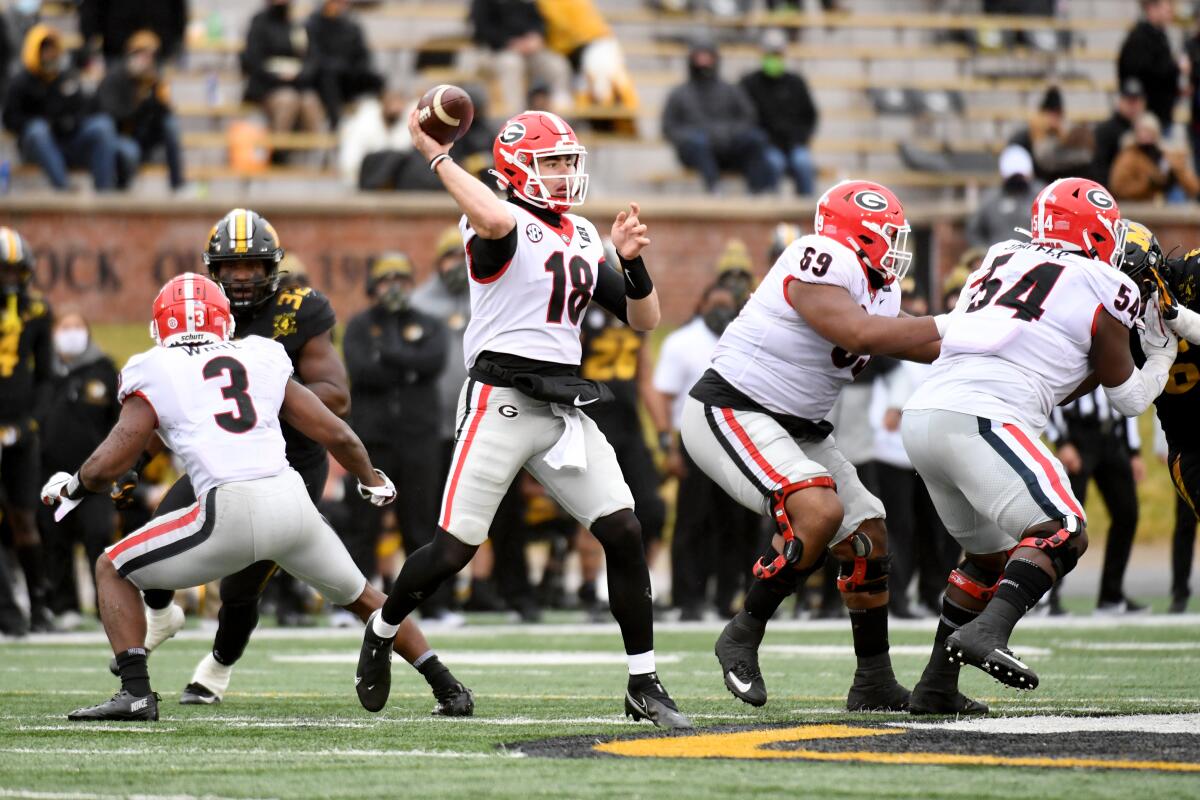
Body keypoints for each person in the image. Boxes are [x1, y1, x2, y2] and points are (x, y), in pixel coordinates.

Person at [356, 108, 691, 729]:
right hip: (499, 401)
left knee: (622, 528)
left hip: (562, 405)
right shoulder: (493, 220)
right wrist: (437, 156)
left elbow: (643, 320)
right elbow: (490, 215)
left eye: (569, 162)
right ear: (514, 168)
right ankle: (383, 626)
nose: (565, 174)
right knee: (454, 550)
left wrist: (632, 263)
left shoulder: (584, 235)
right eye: (552, 163)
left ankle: (643, 681)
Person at [123, 210, 472, 717]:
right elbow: (171, 402)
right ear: (212, 272)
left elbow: (337, 408)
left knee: (243, 587)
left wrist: (268, 396)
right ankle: (160, 616)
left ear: (274, 267)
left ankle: (217, 666)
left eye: (253, 266)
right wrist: (139, 462)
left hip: (285, 464)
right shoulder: (201, 314)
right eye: (231, 267)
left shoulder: (293, 318)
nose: (242, 277)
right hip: (217, 462)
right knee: (157, 546)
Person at [41, 273, 403, 721]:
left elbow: (110, 460)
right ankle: (441, 677)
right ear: (224, 318)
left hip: (225, 505)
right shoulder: (260, 353)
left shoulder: (153, 365)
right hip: (289, 493)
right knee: (359, 596)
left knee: (114, 564)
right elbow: (339, 431)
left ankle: (137, 689)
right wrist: (373, 479)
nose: (243, 274)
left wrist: (71, 487)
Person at [901, 179, 1172, 707]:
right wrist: (1160, 354)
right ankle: (988, 632)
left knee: (986, 558)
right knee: (1063, 530)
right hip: (981, 416)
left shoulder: (1003, 255)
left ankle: (936, 684)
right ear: (1096, 231)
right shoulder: (1103, 282)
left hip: (927, 414)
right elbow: (1130, 400)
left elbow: (1060, 368)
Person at [680, 180, 945, 713]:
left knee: (868, 531)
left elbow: (921, 343)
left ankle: (873, 679)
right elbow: (860, 334)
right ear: (855, 235)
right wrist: (958, 326)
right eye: (884, 235)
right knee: (818, 509)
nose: (895, 247)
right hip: (733, 408)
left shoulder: (882, 288)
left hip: (798, 427)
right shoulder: (819, 254)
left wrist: (998, 340)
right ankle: (743, 632)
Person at [343, 252, 454, 620]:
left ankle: (432, 605)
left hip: (419, 438)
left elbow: (433, 363)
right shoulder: (360, 325)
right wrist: (407, 363)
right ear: (374, 286)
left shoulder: (430, 322)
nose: (395, 287)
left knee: (421, 522)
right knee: (364, 524)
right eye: (387, 279)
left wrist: (389, 355)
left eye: (402, 279)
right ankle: (352, 603)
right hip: (373, 441)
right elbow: (362, 371)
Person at [653, 283, 757, 620]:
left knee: (733, 523)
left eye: (728, 304)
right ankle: (687, 597)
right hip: (695, 438)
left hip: (735, 437)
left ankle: (726, 596)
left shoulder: (747, 339)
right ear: (701, 304)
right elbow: (664, 396)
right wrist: (668, 446)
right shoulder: (681, 342)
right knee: (692, 521)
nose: (721, 310)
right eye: (716, 303)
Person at [36, 311, 120, 624]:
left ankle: (107, 606)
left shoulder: (105, 371)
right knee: (55, 540)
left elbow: (120, 422)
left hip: (94, 476)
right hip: (49, 475)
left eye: (77, 327)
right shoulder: (43, 374)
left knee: (98, 537)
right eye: (64, 328)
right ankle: (64, 606)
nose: (70, 333)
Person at [1048, 387, 1146, 614]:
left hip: (1110, 436)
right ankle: (1046, 597)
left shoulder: (1117, 353)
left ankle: (1111, 596)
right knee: (1068, 521)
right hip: (1077, 435)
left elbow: (1126, 393)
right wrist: (1061, 442)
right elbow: (1052, 392)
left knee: (1127, 513)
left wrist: (1133, 451)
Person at [0, 227, 53, 632]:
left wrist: (27, 423)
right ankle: (10, 609)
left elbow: (46, 376)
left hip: (20, 430)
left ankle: (39, 603)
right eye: (4, 272)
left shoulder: (37, 311)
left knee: (24, 518)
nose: (11, 281)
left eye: (16, 272)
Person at [2, 24, 122, 191]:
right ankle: (63, 186)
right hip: (39, 147)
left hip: (68, 139)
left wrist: (71, 120)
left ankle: (104, 191)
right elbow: (10, 119)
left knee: (103, 124)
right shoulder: (20, 82)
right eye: (45, 50)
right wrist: (43, 121)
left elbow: (84, 108)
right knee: (38, 129)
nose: (50, 55)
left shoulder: (66, 77)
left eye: (53, 50)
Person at [662, 41, 778, 195]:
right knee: (698, 143)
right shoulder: (680, 93)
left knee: (756, 139)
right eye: (699, 57)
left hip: (729, 146)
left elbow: (749, 116)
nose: (703, 63)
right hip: (697, 150)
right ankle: (714, 189)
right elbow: (669, 127)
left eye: (707, 57)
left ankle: (758, 193)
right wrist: (699, 135)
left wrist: (729, 133)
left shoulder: (730, 90)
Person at [93, 31, 185, 191]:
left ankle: (178, 184)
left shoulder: (153, 80)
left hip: (144, 138)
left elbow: (163, 114)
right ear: (131, 55)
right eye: (142, 55)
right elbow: (110, 114)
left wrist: (159, 101)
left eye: (150, 56)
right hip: (119, 136)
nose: (147, 60)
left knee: (171, 125)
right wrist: (139, 103)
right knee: (130, 152)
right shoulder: (115, 78)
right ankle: (120, 191)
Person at [739, 29, 819, 196]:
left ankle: (808, 211)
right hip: (765, 145)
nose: (774, 59)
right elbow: (744, 119)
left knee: (803, 163)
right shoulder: (749, 84)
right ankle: (771, 208)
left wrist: (800, 138)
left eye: (777, 54)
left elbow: (809, 116)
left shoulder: (795, 83)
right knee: (774, 163)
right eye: (769, 54)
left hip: (794, 143)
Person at [470, 0, 571, 117]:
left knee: (556, 64)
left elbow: (539, 21)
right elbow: (481, 29)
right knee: (512, 64)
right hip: (496, 52)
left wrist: (537, 36)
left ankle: (562, 117)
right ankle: (517, 117)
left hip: (529, 51)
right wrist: (509, 43)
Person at [242, 0, 324, 143]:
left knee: (310, 101)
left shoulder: (298, 23)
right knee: (287, 100)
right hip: (268, 85)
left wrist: (300, 74)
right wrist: (278, 76)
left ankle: (315, 158)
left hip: (298, 83)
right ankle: (279, 154)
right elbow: (252, 59)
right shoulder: (260, 22)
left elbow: (313, 58)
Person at [305, 0, 383, 126]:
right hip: (323, 78)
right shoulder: (313, 24)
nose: (339, 5)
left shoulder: (352, 26)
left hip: (347, 74)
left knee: (377, 79)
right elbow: (314, 57)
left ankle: (374, 123)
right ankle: (335, 123)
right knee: (329, 76)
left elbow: (362, 56)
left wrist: (355, 69)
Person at [1118, 0, 1182, 134]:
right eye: (1166, 8)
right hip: (1147, 120)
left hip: (1161, 115)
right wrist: (1175, 68)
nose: (1170, 12)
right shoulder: (1139, 38)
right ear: (1151, 9)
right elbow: (1140, 75)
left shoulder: (1160, 35)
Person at [1009, 86, 1094, 184]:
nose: (1054, 120)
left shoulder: (1060, 137)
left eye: (1057, 115)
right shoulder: (1022, 140)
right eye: (1051, 114)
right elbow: (1043, 160)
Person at [1109, 112, 1200, 203]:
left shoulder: (1166, 154)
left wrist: (1177, 172)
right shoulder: (1128, 157)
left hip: (1163, 204)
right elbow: (1118, 188)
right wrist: (1147, 184)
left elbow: (1193, 187)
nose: (1145, 135)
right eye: (1142, 131)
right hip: (1136, 205)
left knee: (1177, 195)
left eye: (1149, 131)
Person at [966, 145, 1040, 250]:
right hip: (999, 262)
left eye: (1020, 177)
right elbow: (974, 231)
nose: (1017, 182)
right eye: (1013, 178)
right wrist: (985, 254)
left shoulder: (1041, 197)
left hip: (1034, 261)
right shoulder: (990, 199)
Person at [79, 0, 187, 65]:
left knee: (156, 98)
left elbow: (178, 9)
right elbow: (91, 8)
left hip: (159, 51)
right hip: (116, 50)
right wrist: (90, 38)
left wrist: (172, 40)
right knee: (116, 95)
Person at [1092, 78, 1148, 185]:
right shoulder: (1105, 131)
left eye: (1136, 101)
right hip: (1113, 190)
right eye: (1129, 101)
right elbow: (1099, 167)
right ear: (1120, 101)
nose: (1133, 106)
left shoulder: (1146, 129)